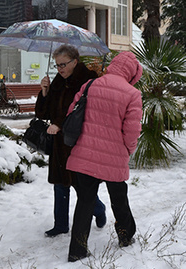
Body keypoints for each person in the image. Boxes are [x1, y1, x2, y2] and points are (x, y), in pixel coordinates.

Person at [67, 51, 143, 262]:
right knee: (119, 197)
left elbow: (72, 112)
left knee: (85, 202)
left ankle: (77, 251)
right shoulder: (132, 94)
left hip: (84, 153)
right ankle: (126, 237)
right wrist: (128, 150)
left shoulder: (90, 85)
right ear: (132, 73)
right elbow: (132, 130)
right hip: (114, 156)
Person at [35, 45, 106, 237]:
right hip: (59, 144)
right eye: (57, 65)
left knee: (80, 185)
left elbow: (84, 113)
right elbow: (43, 113)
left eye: (63, 64)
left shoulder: (89, 80)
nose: (60, 69)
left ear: (75, 61)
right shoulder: (58, 82)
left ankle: (99, 210)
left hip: (79, 143)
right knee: (60, 184)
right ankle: (60, 224)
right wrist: (44, 92)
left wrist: (59, 124)